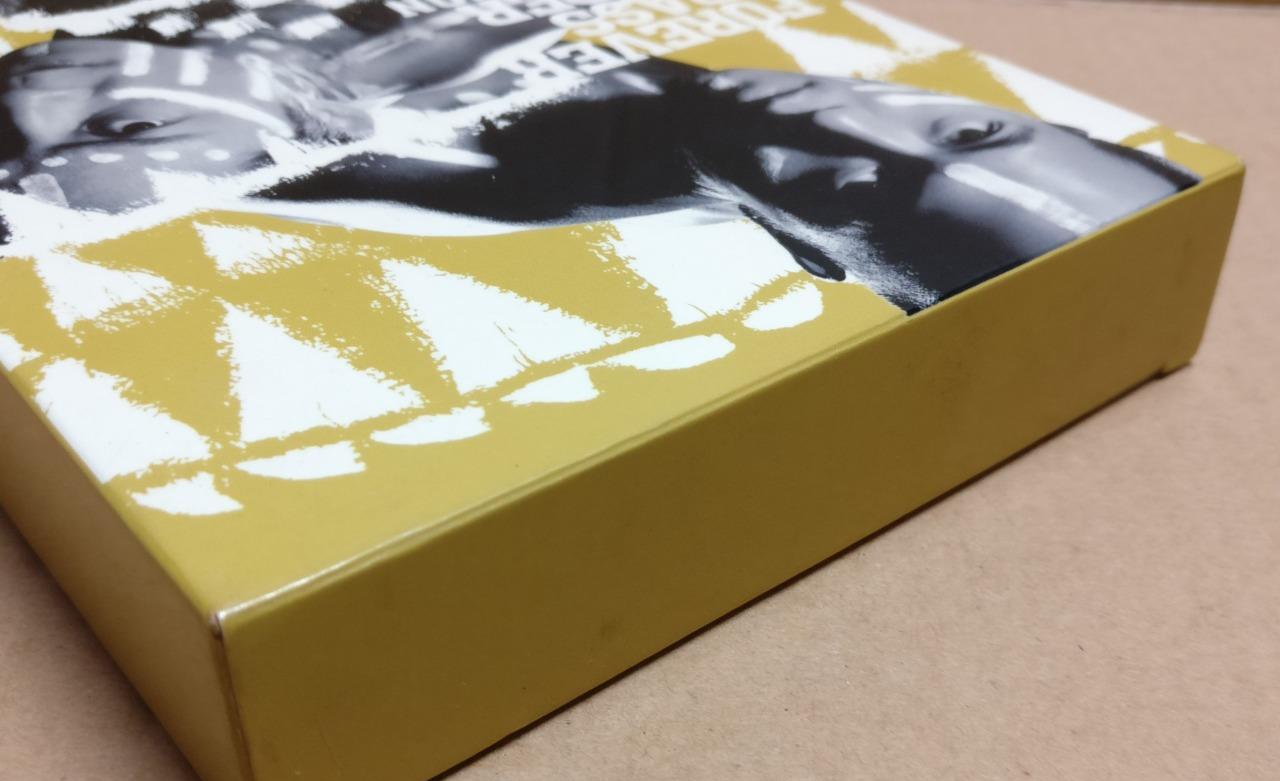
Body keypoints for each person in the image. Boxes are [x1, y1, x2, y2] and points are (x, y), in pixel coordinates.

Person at [0, 0, 1198, 311]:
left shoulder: (464, 176)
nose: (837, 122)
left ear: (807, 251)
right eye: (964, 131)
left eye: (859, 191)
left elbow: (58, 123)